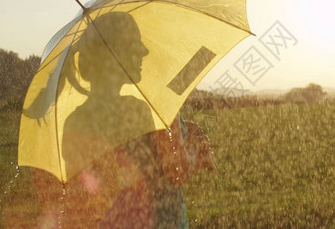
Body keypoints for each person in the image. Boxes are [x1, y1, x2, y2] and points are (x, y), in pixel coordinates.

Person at [30, 12, 215, 228]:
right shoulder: (140, 110)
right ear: (115, 54)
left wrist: (181, 128)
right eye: (136, 44)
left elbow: (90, 189)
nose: (144, 52)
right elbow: (176, 171)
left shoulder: (75, 120)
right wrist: (196, 151)